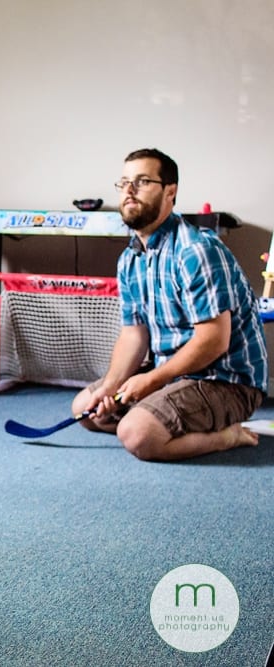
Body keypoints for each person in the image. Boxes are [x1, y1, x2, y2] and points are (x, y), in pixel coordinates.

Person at [71, 148, 268, 461]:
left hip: (226, 381)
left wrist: (149, 381)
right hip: (174, 373)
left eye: (142, 181)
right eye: (123, 183)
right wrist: (111, 386)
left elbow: (214, 341)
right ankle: (165, 418)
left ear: (170, 192)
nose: (129, 191)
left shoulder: (197, 250)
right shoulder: (130, 260)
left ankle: (227, 436)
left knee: (137, 433)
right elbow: (134, 335)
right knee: (86, 409)